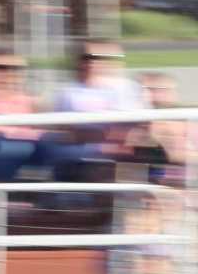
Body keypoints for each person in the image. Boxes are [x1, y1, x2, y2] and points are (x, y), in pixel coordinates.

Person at [49, 41, 147, 181]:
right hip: (81, 151)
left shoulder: (128, 87)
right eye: (86, 57)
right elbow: (64, 130)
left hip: (121, 150)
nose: (91, 62)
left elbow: (133, 126)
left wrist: (96, 135)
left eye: (98, 57)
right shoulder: (67, 92)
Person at [0, 53, 48, 182]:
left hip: (24, 145)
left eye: (8, 69)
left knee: (53, 146)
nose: (1, 73)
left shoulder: (26, 98)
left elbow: (37, 127)